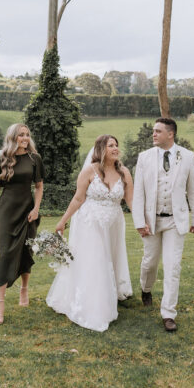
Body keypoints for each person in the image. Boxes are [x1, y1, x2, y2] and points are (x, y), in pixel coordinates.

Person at [46, 135, 134, 331]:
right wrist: (62, 222)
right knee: (97, 261)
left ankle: (110, 293)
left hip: (113, 224)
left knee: (111, 258)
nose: (115, 148)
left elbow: (131, 200)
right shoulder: (89, 171)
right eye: (111, 145)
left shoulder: (124, 172)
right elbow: (78, 199)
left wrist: (141, 222)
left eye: (116, 145)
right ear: (101, 149)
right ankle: (95, 306)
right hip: (89, 223)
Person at [131, 117, 194, 332]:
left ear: (170, 134)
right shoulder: (144, 157)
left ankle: (168, 314)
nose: (153, 134)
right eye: (153, 131)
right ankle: (146, 288)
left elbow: (193, 189)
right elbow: (139, 193)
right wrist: (139, 222)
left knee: (172, 267)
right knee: (150, 262)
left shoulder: (187, 156)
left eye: (157, 131)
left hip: (175, 220)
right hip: (151, 220)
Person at [0, 124, 44, 325]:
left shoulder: (35, 159)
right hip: (7, 213)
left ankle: (24, 289)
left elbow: (39, 186)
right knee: (6, 254)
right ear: (12, 137)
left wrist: (36, 209)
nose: (25, 138)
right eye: (21, 135)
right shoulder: (1, 160)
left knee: (26, 251)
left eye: (27, 134)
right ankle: (0, 303)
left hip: (28, 212)